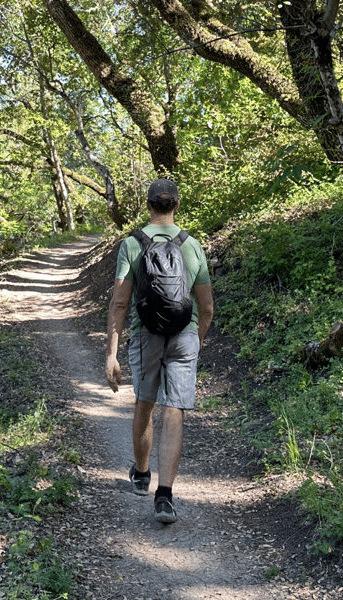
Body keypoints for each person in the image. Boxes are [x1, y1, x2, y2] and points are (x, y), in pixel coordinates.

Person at [105, 179, 214, 524]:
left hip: (145, 334)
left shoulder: (132, 244)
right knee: (175, 410)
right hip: (185, 335)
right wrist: (197, 338)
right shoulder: (192, 245)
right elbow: (207, 306)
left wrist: (111, 354)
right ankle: (165, 496)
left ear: (148, 205)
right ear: (176, 205)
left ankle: (141, 475)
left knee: (146, 401)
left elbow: (120, 302)